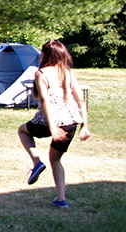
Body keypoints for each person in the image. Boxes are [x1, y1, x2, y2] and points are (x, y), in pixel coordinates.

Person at [17, 40, 91, 208]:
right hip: (71, 122)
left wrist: (52, 128)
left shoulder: (42, 73)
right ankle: (61, 199)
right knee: (55, 160)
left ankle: (36, 162)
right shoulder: (68, 73)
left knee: (23, 131)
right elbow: (81, 100)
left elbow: (45, 101)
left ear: (45, 55)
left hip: (51, 121)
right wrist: (84, 126)